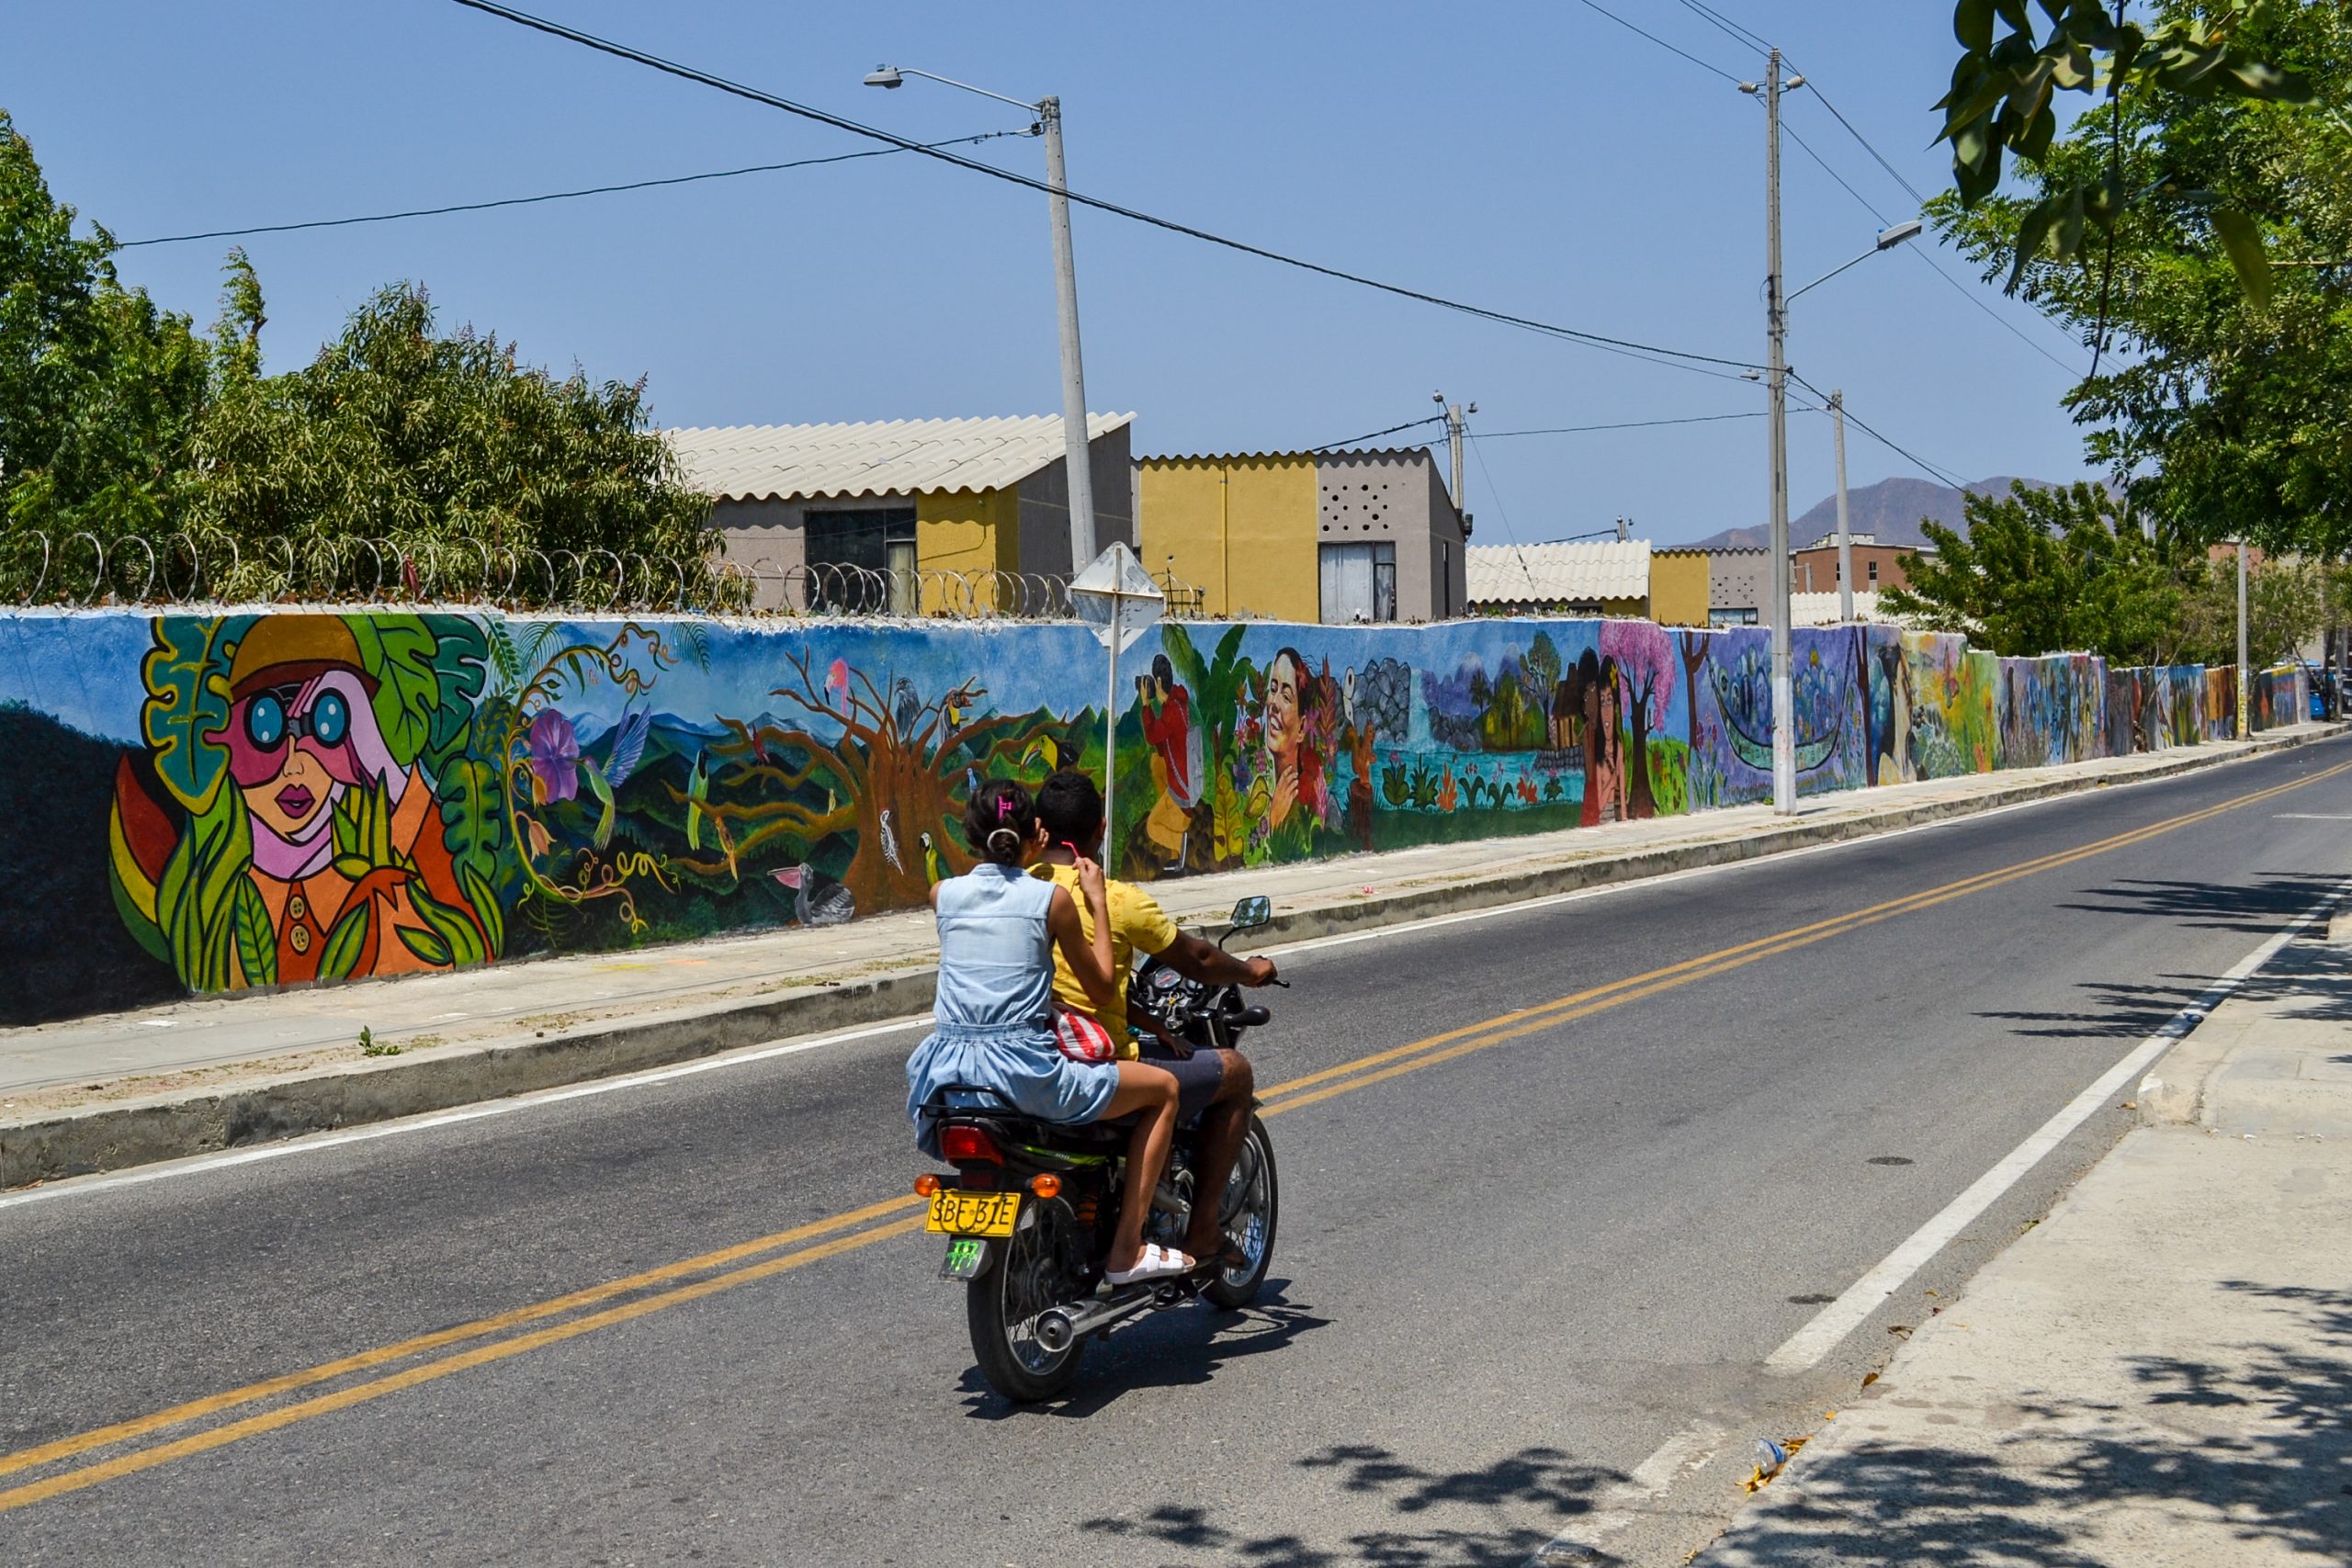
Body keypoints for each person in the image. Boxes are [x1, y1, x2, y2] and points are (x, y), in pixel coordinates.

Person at [904, 779, 1193, 1284]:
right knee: (1165, 1090)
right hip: (1023, 1073)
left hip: (947, 1075)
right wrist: (1098, 901)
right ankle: (1126, 1250)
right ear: (1034, 832)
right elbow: (1103, 988)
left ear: (970, 835)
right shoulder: (1052, 900)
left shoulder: (941, 895)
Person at [1030, 770, 1279, 1276]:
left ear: (1039, 829)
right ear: (1100, 830)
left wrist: (1142, 1015)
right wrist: (1250, 971)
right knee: (1234, 1072)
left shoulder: (1013, 888)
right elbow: (1198, 959)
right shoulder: (1116, 899)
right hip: (1092, 1059)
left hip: (1027, 1053)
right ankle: (1202, 1230)